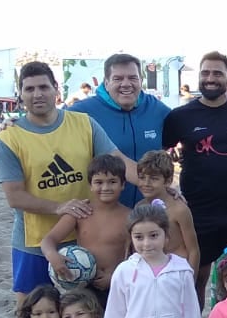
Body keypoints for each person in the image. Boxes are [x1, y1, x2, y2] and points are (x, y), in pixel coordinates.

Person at [0, 61, 132, 304]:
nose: (37, 94)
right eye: (29, 89)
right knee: (31, 314)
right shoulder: (9, 139)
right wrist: (58, 207)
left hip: (84, 241)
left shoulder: (84, 124)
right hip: (36, 242)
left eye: (43, 87)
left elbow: (120, 162)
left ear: (55, 89)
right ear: (20, 94)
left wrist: (164, 190)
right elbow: (14, 197)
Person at [162, 51, 227, 298]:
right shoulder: (181, 116)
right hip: (197, 209)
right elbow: (159, 154)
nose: (210, 78)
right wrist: (165, 187)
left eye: (217, 73)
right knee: (196, 277)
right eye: (205, 72)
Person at [69, 53, 174, 207]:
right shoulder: (80, 113)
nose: (126, 84)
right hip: (101, 214)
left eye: (133, 78)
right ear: (106, 82)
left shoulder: (158, 109)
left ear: (141, 81)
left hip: (149, 214)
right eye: (118, 78)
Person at [39, 154, 131, 299]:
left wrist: (114, 276)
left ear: (123, 184)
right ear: (90, 185)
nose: (105, 187)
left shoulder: (130, 217)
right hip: (82, 288)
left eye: (112, 182)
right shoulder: (80, 211)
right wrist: (52, 256)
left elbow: (134, 256)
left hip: (116, 284)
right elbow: (48, 240)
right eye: (99, 182)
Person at [135, 151, 201, 273]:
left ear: (168, 181)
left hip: (176, 274)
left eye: (154, 178)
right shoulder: (140, 207)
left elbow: (194, 251)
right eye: (142, 178)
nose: (146, 183)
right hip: (149, 274)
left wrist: (189, 283)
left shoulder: (179, 210)